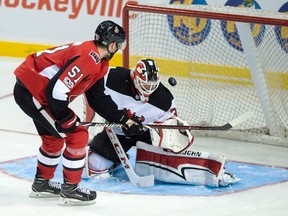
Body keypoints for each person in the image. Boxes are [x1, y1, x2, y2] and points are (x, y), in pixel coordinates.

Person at [13, 20, 127, 206]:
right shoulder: (88, 58)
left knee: (54, 139)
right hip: (33, 91)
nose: (119, 48)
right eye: (119, 44)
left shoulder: (99, 62)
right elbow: (57, 91)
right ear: (111, 43)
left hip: (35, 91)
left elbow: (97, 98)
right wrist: (66, 117)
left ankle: (42, 184)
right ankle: (71, 189)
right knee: (77, 133)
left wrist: (123, 118)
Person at [83, 59, 240, 187]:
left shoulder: (164, 99)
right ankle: (114, 160)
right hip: (117, 133)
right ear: (135, 78)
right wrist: (113, 116)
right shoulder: (113, 77)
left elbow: (170, 125)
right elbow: (90, 86)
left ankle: (210, 170)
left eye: (153, 86)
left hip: (147, 135)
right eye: (145, 85)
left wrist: (175, 132)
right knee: (95, 166)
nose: (148, 90)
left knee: (163, 165)